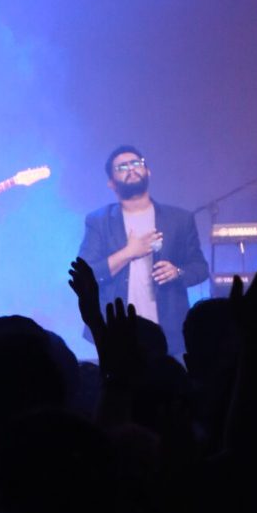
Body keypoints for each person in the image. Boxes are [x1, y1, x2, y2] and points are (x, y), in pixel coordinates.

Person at [78, 145, 208, 358]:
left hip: (169, 329)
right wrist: (129, 251)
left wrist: (177, 272)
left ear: (148, 171)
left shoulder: (180, 219)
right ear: (111, 182)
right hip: (117, 328)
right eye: (121, 167)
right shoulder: (99, 221)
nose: (131, 169)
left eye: (136, 163)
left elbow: (200, 267)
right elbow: (86, 273)